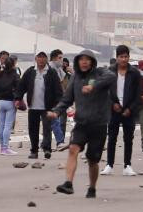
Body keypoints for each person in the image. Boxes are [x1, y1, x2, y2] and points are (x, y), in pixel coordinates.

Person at [48, 51, 116, 198]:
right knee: (73, 149)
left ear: (92, 61)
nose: (84, 62)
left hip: (98, 124)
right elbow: (66, 99)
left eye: (87, 59)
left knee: (93, 159)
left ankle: (92, 187)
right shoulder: (75, 78)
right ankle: (68, 183)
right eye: (81, 59)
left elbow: (111, 76)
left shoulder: (100, 73)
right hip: (81, 122)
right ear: (77, 62)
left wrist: (94, 86)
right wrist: (56, 112)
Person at [102, 45, 140, 177]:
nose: (124, 59)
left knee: (128, 138)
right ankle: (109, 165)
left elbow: (137, 94)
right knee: (112, 137)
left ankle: (127, 165)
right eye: (121, 56)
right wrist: (112, 104)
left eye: (126, 56)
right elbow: (105, 91)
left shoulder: (134, 73)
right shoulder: (109, 71)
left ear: (129, 57)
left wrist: (130, 108)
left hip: (129, 110)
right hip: (114, 109)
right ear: (117, 57)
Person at [19, 51, 60, 160]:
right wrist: (18, 98)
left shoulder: (51, 73)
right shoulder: (30, 72)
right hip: (33, 106)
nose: (41, 60)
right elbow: (22, 86)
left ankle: (47, 149)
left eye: (43, 58)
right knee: (33, 129)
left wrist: (58, 106)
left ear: (46, 59)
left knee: (47, 129)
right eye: (39, 58)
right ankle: (34, 151)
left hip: (47, 106)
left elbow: (58, 90)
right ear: (36, 59)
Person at [0, 55, 21, 155]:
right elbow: (19, 88)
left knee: (1, 125)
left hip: (0, 102)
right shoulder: (15, 75)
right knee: (8, 126)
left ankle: (2, 148)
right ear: (13, 64)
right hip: (10, 102)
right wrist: (18, 99)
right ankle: (5, 148)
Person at [49, 49, 69, 148]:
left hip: (59, 99)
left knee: (56, 121)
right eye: (59, 58)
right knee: (54, 121)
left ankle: (59, 141)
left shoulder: (59, 69)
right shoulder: (50, 69)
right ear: (54, 58)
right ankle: (59, 141)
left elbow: (62, 84)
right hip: (51, 100)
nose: (62, 60)